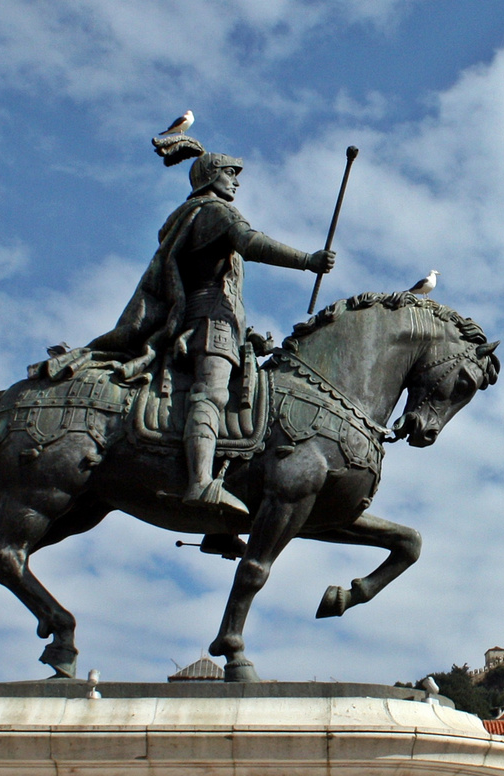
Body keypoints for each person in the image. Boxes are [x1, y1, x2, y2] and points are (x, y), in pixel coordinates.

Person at [85, 149, 333, 517]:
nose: (236, 181)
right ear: (212, 174)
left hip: (224, 322)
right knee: (212, 392)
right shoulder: (214, 212)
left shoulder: (200, 215)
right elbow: (250, 243)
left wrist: (247, 335)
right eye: (231, 173)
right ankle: (200, 482)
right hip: (209, 322)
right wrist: (306, 261)